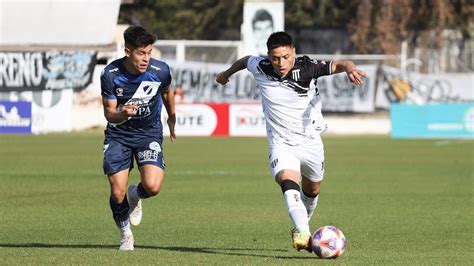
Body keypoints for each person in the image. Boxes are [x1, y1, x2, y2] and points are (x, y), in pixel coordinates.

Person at [215, 31, 366, 252]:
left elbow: (342, 63)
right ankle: (303, 230)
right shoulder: (261, 66)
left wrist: (350, 69)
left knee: (312, 190)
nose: (281, 63)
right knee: (287, 180)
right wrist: (226, 74)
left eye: (286, 57)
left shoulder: (308, 67)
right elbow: (245, 61)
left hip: (310, 140)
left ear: (293, 52)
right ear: (268, 56)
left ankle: (303, 223)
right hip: (281, 142)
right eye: (275, 58)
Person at [100, 25, 176, 251]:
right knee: (116, 191)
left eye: (149, 53)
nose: (146, 58)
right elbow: (108, 113)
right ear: (127, 52)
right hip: (119, 135)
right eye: (141, 53)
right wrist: (120, 114)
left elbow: (167, 91)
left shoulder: (160, 70)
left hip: (148, 133)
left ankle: (136, 194)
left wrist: (172, 116)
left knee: (152, 187)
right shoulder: (110, 75)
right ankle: (125, 234)